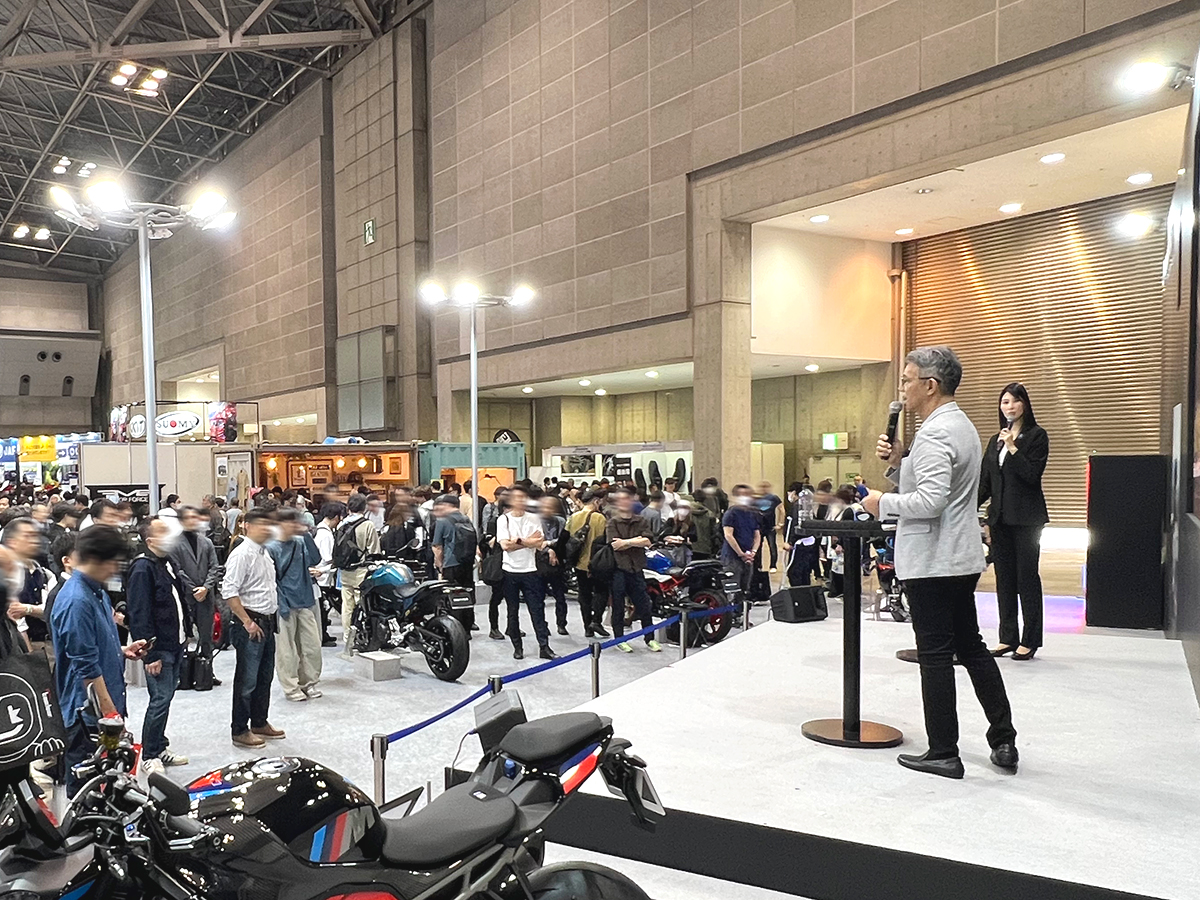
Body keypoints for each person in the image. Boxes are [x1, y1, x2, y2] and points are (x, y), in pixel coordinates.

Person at [862, 346, 1018, 779]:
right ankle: (1003, 738)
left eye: (907, 380)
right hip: (959, 556)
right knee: (971, 648)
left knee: (935, 656)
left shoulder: (934, 433)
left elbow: (929, 501)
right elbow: (941, 488)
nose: (903, 389)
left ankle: (943, 751)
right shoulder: (960, 424)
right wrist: (900, 462)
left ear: (930, 385)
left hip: (933, 559)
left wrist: (881, 502)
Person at [50, 526, 148, 794]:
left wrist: (121, 650)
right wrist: (110, 714)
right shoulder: (76, 600)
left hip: (104, 707)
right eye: (113, 562)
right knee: (88, 788)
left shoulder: (97, 592)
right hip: (87, 715)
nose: (116, 570)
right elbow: (86, 667)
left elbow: (92, 644)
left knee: (111, 780)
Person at [979, 382, 1050, 660]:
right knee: (1004, 579)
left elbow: (1031, 475)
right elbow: (986, 482)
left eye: (1015, 401)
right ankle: (1007, 637)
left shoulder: (1036, 436)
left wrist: (1012, 447)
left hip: (1026, 519)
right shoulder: (994, 440)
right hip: (999, 518)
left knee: (1026, 578)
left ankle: (1030, 639)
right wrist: (967, 507)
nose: (1009, 406)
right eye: (1005, 401)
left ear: (1025, 404)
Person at [126, 519, 190, 771]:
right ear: (150, 540)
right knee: (160, 699)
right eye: (163, 531)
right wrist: (149, 654)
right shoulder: (142, 568)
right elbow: (139, 613)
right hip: (158, 647)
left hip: (175, 642)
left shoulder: (166, 562)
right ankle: (150, 754)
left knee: (167, 696)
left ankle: (160, 745)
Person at [222, 508, 286, 749]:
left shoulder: (265, 553)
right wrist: (246, 621)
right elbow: (229, 591)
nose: (266, 529)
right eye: (261, 524)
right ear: (246, 525)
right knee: (247, 679)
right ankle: (239, 729)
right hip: (250, 623)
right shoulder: (242, 554)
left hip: (267, 622)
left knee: (265, 676)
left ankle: (259, 721)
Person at [268, 507, 324, 702]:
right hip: (283, 604)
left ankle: (309, 682)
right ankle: (291, 687)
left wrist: (306, 534)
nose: (294, 525)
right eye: (290, 522)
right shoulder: (271, 547)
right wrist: (281, 605)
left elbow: (316, 559)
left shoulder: (300, 542)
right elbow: (271, 580)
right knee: (286, 650)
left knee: (312, 646)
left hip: (305, 601)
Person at [497, 485, 556, 661]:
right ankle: (517, 646)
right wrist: (527, 542)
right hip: (510, 571)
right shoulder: (503, 520)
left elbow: (539, 542)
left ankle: (544, 646)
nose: (521, 501)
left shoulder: (533, 518)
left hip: (531, 570)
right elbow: (505, 546)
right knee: (512, 611)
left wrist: (518, 540)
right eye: (517, 497)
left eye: (523, 497)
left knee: (537, 610)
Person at [606, 488, 659, 654]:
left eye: (626, 498)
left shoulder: (641, 520)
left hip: (637, 568)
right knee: (618, 606)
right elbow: (615, 545)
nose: (624, 502)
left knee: (644, 605)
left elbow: (648, 541)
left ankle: (650, 638)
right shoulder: (613, 523)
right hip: (618, 569)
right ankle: (620, 639)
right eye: (620, 499)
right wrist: (636, 541)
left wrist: (626, 542)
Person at [172, 506, 222, 674]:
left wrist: (205, 588)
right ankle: (184, 674)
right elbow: (177, 570)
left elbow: (214, 567)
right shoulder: (174, 544)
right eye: (189, 517)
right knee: (184, 636)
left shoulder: (206, 542)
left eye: (195, 517)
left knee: (206, 636)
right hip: (186, 597)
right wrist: (194, 589)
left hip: (206, 596)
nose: (193, 520)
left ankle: (207, 672)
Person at [336, 493, 381, 658]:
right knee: (361, 605)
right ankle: (361, 637)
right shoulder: (367, 525)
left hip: (344, 571)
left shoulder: (341, 524)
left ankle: (347, 638)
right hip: (361, 571)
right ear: (364, 507)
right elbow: (374, 550)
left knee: (347, 607)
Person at [431, 494, 477, 634]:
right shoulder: (466, 519)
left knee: (450, 596)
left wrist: (439, 565)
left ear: (447, 505)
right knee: (466, 595)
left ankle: (454, 629)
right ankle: (468, 627)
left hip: (451, 563)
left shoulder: (442, 521)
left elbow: (437, 547)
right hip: (467, 563)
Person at [567, 490, 610, 638]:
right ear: (596, 501)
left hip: (579, 562)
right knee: (601, 592)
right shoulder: (600, 518)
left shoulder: (573, 517)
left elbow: (567, 538)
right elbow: (603, 541)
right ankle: (596, 620)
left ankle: (587, 627)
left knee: (584, 595)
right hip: (597, 562)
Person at [312, 501, 345, 647]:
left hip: (320, 574)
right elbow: (328, 558)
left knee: (323, 608)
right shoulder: (325, 534)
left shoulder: (319, 530)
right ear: (336, 517)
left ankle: (323, 634)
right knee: (324, 608)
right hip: (323, 575)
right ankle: (323, 635)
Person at [537, 495, 570, 636]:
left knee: (560, 596)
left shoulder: (561, 521)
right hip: (540, 564)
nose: (548, 509)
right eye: (545, 506)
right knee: (539, 599)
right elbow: (536, 543)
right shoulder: (535, 522)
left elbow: (564, 540)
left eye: (551, 507)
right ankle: (542, 625)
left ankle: (561, 624)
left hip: (558, 565)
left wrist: (550, 543)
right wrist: (548, 549)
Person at [721, 484, 761, 597]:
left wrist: (753, 552)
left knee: (745, 587)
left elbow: (757, 535)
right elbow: (729, 535)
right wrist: (741, 553)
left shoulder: (752, 514)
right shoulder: (731, 513)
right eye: (741, 495)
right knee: (733, 588)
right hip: (732, 557)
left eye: (747, 494)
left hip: (748, 556)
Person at [781, 482, 820, 587]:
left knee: (795, 572)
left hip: (799, 544)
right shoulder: (807, 506)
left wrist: (790, 542)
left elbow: (794, 525)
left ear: (794, 492)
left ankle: (799, 594)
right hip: (808, 542)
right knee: (804, 572)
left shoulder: (797, 507)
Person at [755, 481, 783, 573]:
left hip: (770, 527)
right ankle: (758, 566)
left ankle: (773, 565)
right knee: (758, 547)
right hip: (759, 526)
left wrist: (780, 523)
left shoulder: (773, 498)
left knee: (772, 546)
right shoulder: (756, 499)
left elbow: (782, 510)